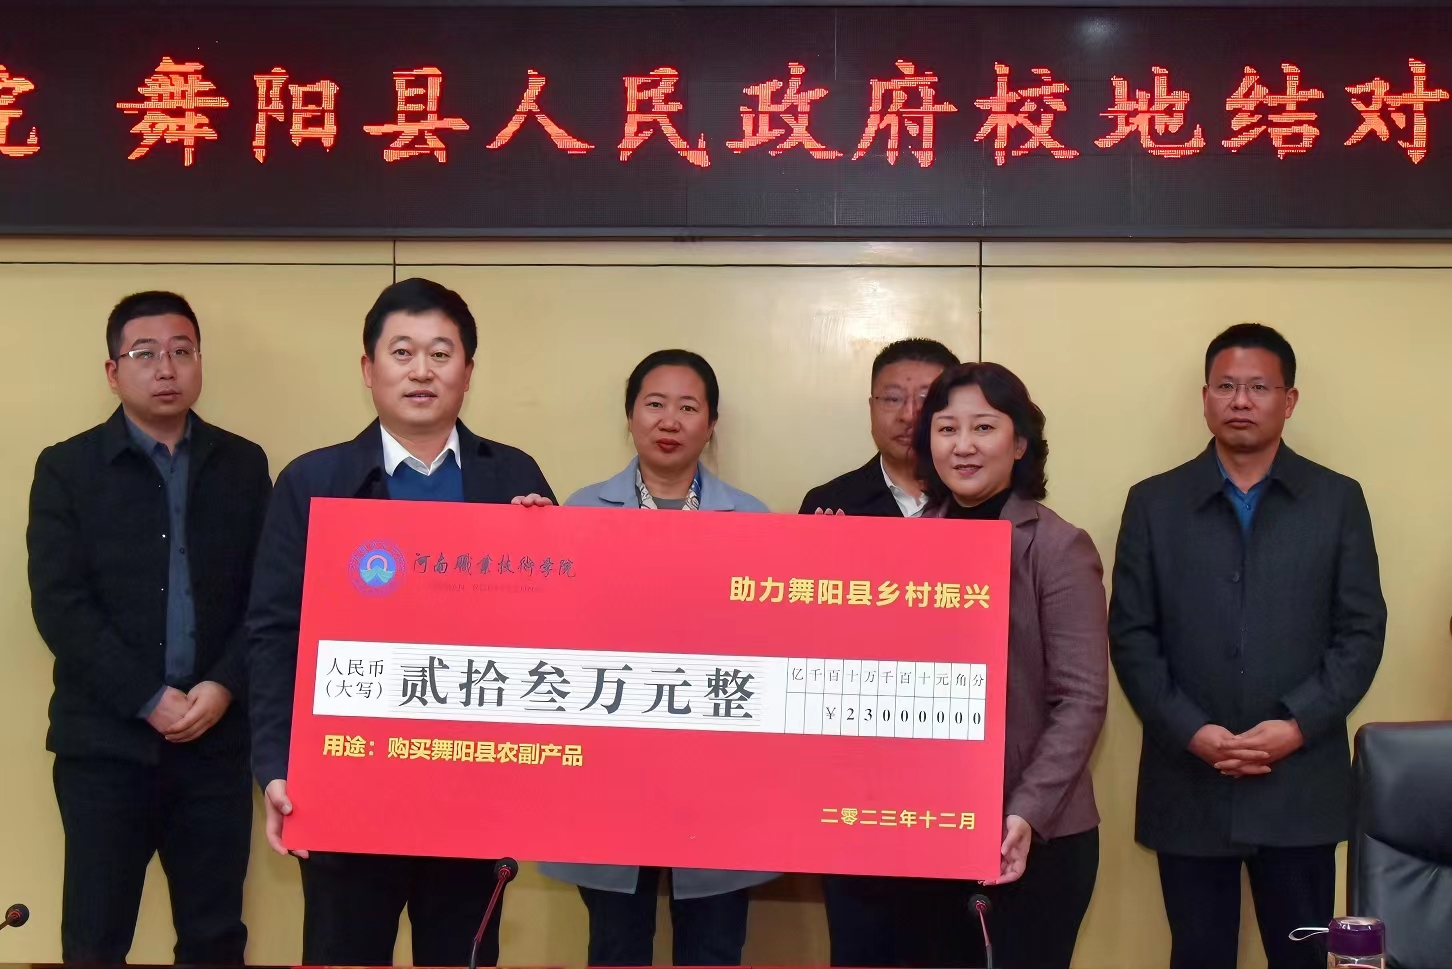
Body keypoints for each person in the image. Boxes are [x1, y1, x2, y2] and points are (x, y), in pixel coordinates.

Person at [246, 278, 555, 967]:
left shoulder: (512, 477)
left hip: (473, 784)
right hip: (347, 781)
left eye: (441, 354)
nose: (422, 371)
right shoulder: (313, 481)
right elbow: (273, 634)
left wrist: (549, 553)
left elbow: (552, 641)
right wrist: (274, 766)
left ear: (468, 372)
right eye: (403, 352)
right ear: (368, 368)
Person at [1109, 324, 1385, 969]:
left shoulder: (1336, 499)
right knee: (1198, 954)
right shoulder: (1154, 503)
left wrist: (1297, 724)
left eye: (1258, 387)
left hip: (1300, 781)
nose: (1240, 400)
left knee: (1300, 957)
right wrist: (1191, 730)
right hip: (1189, 779)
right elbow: (1131, 634)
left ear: (1289, 400)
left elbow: (1361, 631)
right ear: (1204, 397)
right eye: (1226, 386)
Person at [27, 291, 272, 964]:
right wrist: (147, 697)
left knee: (215, 936)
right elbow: (60, 604)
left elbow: (267, 597)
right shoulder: (66, 468)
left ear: (199, 362)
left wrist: (224, 685)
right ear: (113, 372)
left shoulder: (243, 464)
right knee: (95, 937)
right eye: (145, 354)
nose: (166, 368)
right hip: (105, 748)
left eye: (181, 351)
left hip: (215, 744)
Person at [537, 349, 778, 967]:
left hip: (717, 772)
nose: (670, 420)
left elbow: (771, 646)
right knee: (616, 945)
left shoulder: (754, 520)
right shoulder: (579, 511)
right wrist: (529, 547)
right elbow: (552, 637)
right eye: (655, 404)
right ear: (630, 416)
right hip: (611, 769)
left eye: (688, 407)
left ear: (711, 424)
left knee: (714, 946)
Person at [913, 362, 1108, 969]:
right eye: (947, 429)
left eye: (983, 427)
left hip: (1035, 833)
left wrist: (1025, 811)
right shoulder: (907, 542)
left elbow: (1081, 699)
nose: (963, 446)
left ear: (1019, 443)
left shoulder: (1057, 546)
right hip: (926, 826)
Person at [799, 338, 959, 518]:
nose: (908, 415)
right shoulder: (828, 504)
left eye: (926, 399)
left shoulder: (979, 500)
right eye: (892, 399)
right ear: (871, 409)